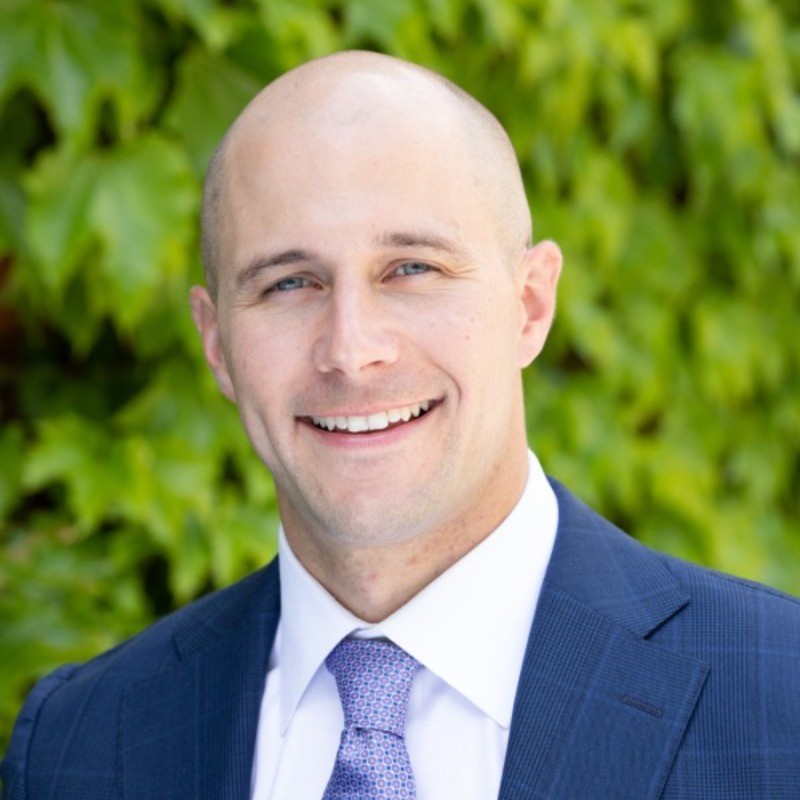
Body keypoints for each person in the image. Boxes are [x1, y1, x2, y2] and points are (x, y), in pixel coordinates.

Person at [2, 50, 799, 800]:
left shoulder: (778, 698)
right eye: (289, 283)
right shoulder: (80, 746)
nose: (352, 350)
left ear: (530, 304)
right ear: (217, 344)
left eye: (412, 269)